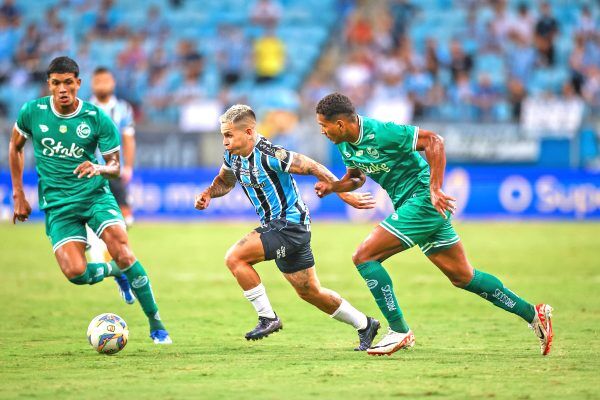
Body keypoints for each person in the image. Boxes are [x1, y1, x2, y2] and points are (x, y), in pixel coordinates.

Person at [313, 93, 553, 356]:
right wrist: (335, 187)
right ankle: (533, 314)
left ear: (340, 124)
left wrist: (436, 188)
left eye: (323, 126)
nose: (322, 131)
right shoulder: (345, 143)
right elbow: (357, 177)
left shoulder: (381, 132)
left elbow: (433, 140)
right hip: (412, 207)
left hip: (423, 202)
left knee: (364, 257)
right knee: (463, 276)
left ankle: (399, 330)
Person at [8, 56, 171, 344]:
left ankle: (156, 324)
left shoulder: (96, 119)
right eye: (56, 83)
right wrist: (18, 192)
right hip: (58, 206)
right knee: (75, 272)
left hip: (94, 195)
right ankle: (114, 271)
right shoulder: (32, 112)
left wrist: (99, 168)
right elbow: (15, 146)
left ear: (78, 84)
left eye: (68, 83)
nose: (62, 89)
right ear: (49, 84)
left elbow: (115, 166)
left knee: (121, 246)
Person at [194, 104, 380, 350]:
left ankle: (267, 317)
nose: (225, 141)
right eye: (223, 135)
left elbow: (313, 166)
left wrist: (344, 194)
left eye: (229, 135)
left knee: (235, 258)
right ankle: (366, 324)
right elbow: (225, 181)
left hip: (289, 224)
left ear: (249, 132)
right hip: (279, 227)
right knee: (310, 291)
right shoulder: (232, 155)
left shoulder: (270, 154)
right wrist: (209, 193)